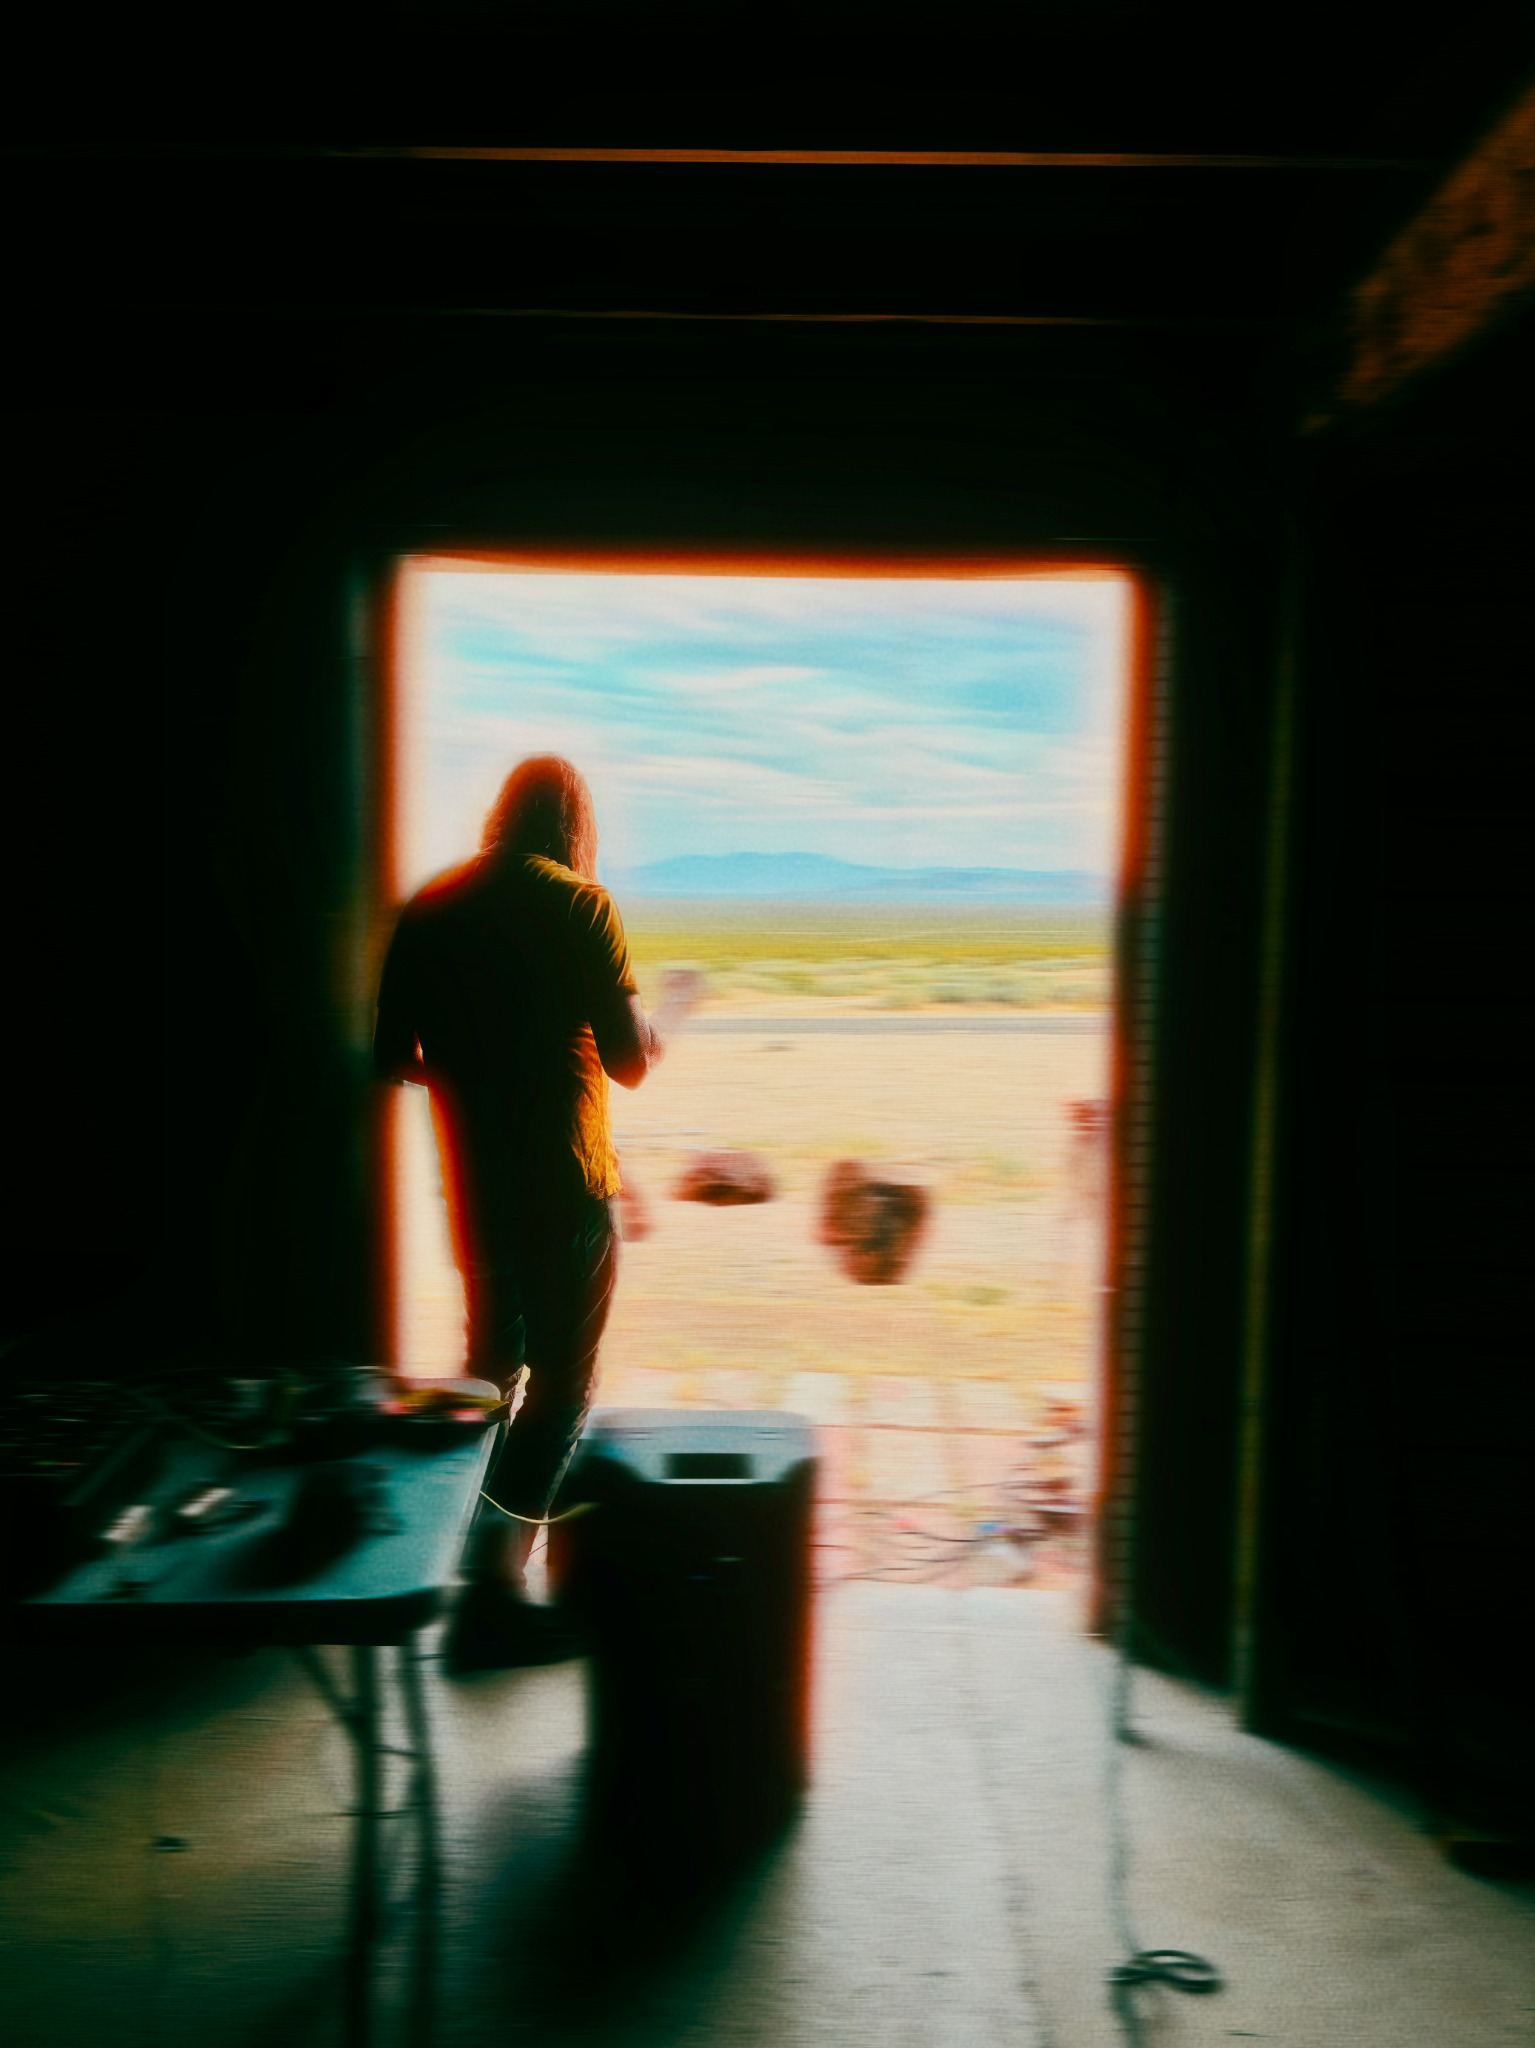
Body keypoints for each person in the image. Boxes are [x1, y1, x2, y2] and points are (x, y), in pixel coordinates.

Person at [373, 756, 689, 1669]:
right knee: (562, 1390)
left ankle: (454, 1565)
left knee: (488, 1375)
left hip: (475, 1184)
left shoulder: (430, 907)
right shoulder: (582, 905)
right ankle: (496, 1594)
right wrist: (667, 1013)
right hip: (566, 1185)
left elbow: (392, 1056)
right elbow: (629, 1063)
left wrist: (472, 1074)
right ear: (573, 826)